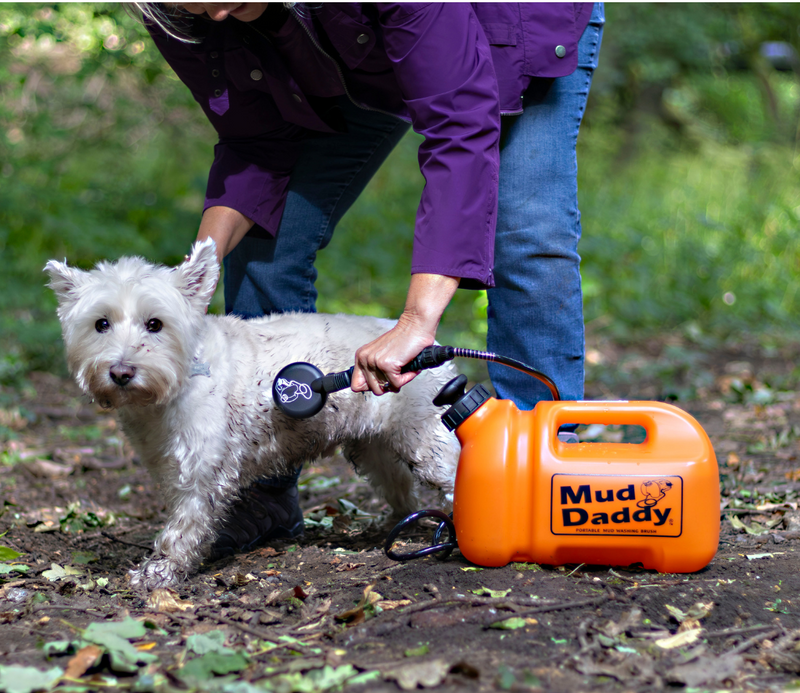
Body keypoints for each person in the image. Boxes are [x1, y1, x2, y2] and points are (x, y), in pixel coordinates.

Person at [133, 2, 604, 555]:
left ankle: (536, 485)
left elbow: (459, 125)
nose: (212, 14)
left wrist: (416, 321)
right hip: (354, 50)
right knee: (268, 232)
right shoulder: (178, 12)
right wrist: (193, 277)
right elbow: (254, 142)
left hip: (507, 24)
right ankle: (262, 493)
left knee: (525, 237)